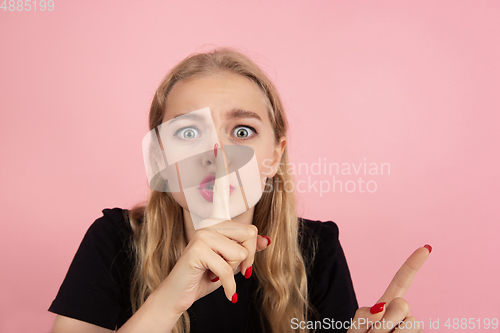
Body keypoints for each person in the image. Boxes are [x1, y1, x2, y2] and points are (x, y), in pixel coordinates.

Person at [48, 47, 430, 333]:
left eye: (242, 131)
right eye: (188, 132)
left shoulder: (316, 248)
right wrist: (167, 303)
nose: (216, 155)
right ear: (161, 157)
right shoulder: (115, 240)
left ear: (275, 155)